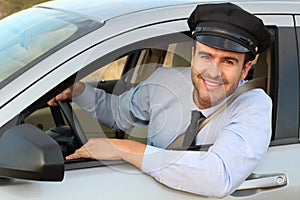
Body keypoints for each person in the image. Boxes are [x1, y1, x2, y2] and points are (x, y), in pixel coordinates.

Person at [48, 3, 272, 198]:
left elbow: (219, 176)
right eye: (206, 56)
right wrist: (77, 91)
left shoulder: (253, 105)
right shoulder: (164, 82)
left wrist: (125, 149)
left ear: (245, 70)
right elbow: (117, 112)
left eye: (228, 62)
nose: (213, 72)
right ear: (193, 54)